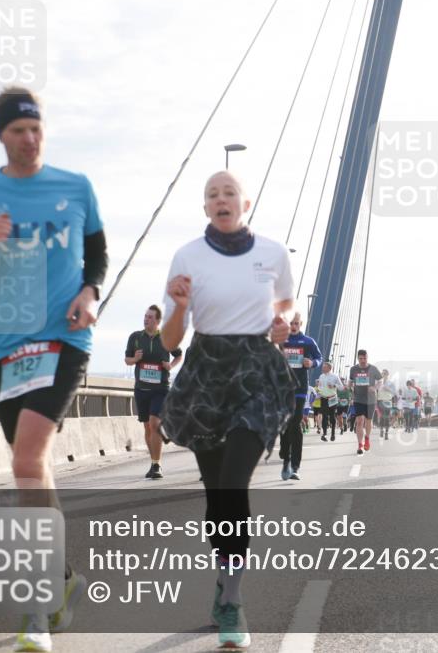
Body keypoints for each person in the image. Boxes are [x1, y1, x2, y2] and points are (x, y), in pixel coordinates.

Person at [0, 86, 106, 652]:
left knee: (27, 458)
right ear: (1, 136)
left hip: (64, 339)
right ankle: (62, 579)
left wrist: (90, 292)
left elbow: (97, 255)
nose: (30, 139)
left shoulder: (76, 186)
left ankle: (35, 605)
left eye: (37, 129)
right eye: (18, 131)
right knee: (33, 468)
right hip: (3, 347)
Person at [160, 169, 294, 649]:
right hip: (206, 373)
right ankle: (224, 574)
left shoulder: (273, 253)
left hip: (255, 369)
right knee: (217, 493)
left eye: (229, 192)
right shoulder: (187, 256)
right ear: (205, 207)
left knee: (235, 482)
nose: (221, 199)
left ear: (245, 203)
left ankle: (233, 599)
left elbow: (284, 307)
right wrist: (179, 307)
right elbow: (170, 341)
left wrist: (282, 325)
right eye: (212, 194)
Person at [125, 305, 183, 479]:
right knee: (147, 427)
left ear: (158, 321)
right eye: (145, 316)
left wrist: (170, 365)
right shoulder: (135, 337)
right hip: (141, 389)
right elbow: (127, 360)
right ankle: (153, 462)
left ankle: (157, 465)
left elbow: (179, 355)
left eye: (150, 317)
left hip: (160, 389)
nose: (146, 319)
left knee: (154, 423)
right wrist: (135, 359)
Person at [280, 315, 322, 480]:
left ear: (301, 324)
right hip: (283, 388)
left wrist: (312, 363)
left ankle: (295, 466)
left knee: (295, 423)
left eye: (296, 323)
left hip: (300, 388)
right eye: (291, 323)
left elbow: (319, 358)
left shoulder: (308, 341)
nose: (293, 326)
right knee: (285, 424)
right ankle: (285, 457)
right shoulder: (280, 340)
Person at [349, 350, 382, 454]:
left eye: (365, 358)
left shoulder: (373, 368)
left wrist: (374, 387)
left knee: (368, 420)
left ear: (367, 357)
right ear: (358, 358)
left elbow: (380, 380)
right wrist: (349, 386)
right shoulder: (353, 369)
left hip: (370, 399)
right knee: (359, 421)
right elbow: (351, 380)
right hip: (358, 398)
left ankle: (367, 438)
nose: (363, 360)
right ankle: (360, 445)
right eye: (361, 358)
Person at [316, 362, 342, 442]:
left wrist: (334, 386)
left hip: (332, 398)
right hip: (324, 398)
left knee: (332, 416)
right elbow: (319, 386)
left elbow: (341, 387)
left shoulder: (335, 376)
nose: (322, 368)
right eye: (323, 367)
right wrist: (319, 391)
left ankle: (333, 434)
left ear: (329, 368)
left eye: (324, 367)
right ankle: (324, 434)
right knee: (324, 416)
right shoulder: (321, 376)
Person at [377, 369, 397, 439]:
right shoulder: (379, 383)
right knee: (383, 416)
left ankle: (386, 432)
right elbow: (375, 391)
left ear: (387, 375)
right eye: (382, 373)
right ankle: (381, 429)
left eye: (385, 373)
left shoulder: (391, 383)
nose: (383, 375)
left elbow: (394, 392)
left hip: (388, 401)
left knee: (386, 417)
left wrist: (388, 389)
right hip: (380, 401)